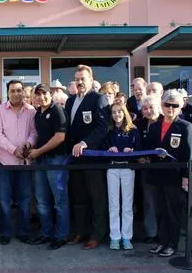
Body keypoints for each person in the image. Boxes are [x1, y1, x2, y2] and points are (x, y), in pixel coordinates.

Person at [144, 89, 192, 257]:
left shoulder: (185, 126)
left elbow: (189, 154)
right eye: (167, 105)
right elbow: (148, 148)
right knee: (159, 210)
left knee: (173, 212)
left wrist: (186, 177)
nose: (170, 109)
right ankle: (161, 241)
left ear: (180, 107)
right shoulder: (155, 126)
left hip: (175, 177)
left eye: (175, 106)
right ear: (162, 106)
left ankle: (172, 244)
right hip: (157, 174)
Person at [66, 65, 110, 250]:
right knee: (79, 197)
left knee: (96, 198)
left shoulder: (99, 99)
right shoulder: (70, 101)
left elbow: (102, 128)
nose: (79, 82)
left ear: (91, 80)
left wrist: (85, 143)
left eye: (83, 78)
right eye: (77, 79)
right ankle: (81, 231)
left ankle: (97, 234)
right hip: (74, 159)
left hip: (92, 157)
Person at [0, 80, 37, 245]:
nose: (16, 93)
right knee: (4, 200)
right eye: (13, 91)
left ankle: (23, 232)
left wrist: (29, 143)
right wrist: (12, 149)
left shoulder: (31, 111)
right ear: (7, 93)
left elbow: (34, 131)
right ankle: (5, 233)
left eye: (19, 90)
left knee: (24, 199)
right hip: (4, 162)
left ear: (23, 92)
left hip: (24, 162)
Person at [26, 84, 69, 250]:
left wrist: (38, 152)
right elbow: (38, 136)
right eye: (38, 95)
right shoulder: (38, 113)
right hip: (41, 161)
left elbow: (60, 137)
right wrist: (30, 148)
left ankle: (61, 236)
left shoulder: (58, 110)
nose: (41, 98)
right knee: (42, 201)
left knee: (59, 201)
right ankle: (46, 233)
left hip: (56, 160)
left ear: (50, 95)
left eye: (44, 94)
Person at [104, 102, 140, 250]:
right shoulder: (109, 130)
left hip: (127, 168)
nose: (117, 115)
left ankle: (126, 237)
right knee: (113, 204)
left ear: (124, 113)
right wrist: (109, 149)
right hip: (112, 168)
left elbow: (139, 148)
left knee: (127, 205)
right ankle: (115, 237)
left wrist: (131, 150)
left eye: (119, 112)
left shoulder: (133, 130)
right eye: (114, 112)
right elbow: (103, 148)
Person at [135, 96, 162, 243]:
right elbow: (134, 143)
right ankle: (152, 233)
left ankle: (165, 231)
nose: (148, 111)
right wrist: (138, 158)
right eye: (145, 108)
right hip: (145, 168)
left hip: (164, 168)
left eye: (151, 107)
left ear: (158, 106)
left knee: (164, 201)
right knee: (149, 201)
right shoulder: (138, 124)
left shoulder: (166, 122)